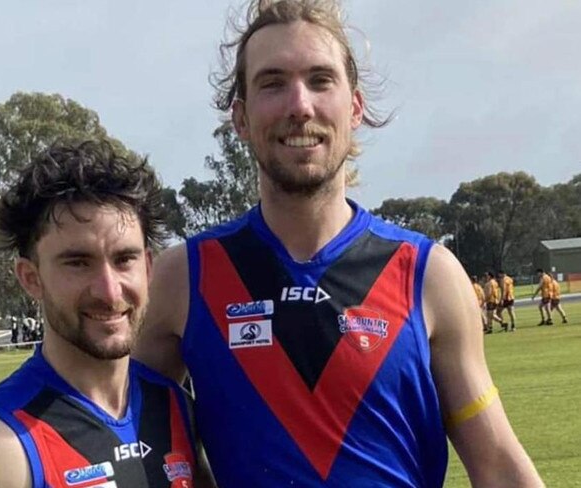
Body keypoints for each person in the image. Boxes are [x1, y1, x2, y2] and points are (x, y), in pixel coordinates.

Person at [134, 1, 544, 486]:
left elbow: (497, 464)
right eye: (272, 83)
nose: (299, 105)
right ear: (241, 119)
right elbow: (133, 446)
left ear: (354, 107)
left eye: (320, 80)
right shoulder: (183, 277)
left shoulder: (428, 274)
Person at [0, 141, 214, 488]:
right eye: (78, 263)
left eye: (124, 259)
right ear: (31, 277)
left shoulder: (176, 406)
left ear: (147, 267)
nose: (109, 291)